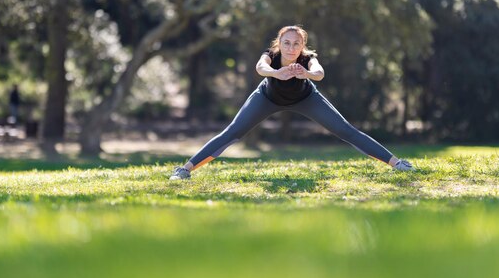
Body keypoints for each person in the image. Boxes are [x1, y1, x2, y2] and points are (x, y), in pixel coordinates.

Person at [170, 25, 413, 180]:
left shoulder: (307, 59)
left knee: (346, 130)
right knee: (233, 132)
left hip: (306, 98)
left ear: (302, 46)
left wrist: (305, 74)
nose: (291, 47)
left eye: (296, 43)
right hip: (266, 97)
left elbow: (319, 73)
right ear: (279, 43)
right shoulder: (272, 55)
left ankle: (397, 163)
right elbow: (260, 67)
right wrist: (277, 73)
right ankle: (185, 170)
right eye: (286, 42)